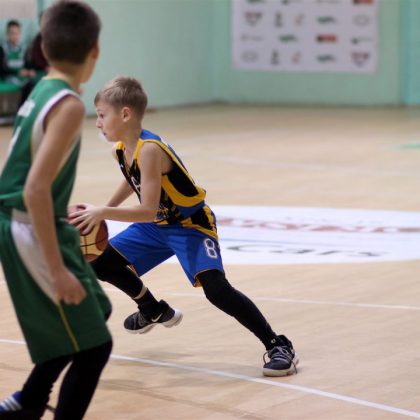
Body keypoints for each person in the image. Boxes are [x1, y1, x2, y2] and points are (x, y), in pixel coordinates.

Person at [70, 76, 299, 377]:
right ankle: (152, 309)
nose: (97, 123)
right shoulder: (122, 149)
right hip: (156, 226)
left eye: (101, 115)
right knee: (100, 263)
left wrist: (103, 212)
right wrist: (103, 211)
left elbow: (146, 210)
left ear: (125, 114)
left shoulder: (150, 149)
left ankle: (277, 344)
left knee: (217, 290)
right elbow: (133, 180)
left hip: (190, 225)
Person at [0, 2, 112, 419]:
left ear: (43, 48)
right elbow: (33, 188)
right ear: (95, 49)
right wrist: (57, 270)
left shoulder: (42, 90)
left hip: (32, 217)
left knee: (97, 310)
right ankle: (32, 402)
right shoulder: (67, 105)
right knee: (95, 346)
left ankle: (29, 401)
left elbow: (24, 171)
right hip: (27, 226)